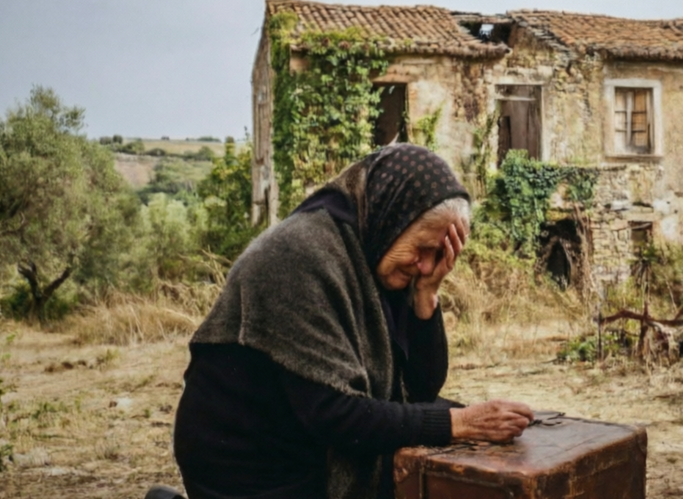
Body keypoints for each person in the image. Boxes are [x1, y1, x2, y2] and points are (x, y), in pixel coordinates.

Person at [172, 144, 534, 499]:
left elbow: (418, 391)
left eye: (438, 253)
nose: (425, 263)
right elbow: (335, 413)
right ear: (392, 216)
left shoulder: (378, 254)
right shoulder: (299, 256)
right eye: (423, 248)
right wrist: (460, 424)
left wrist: (427, 293)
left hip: (307, 442)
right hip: (250, 466)